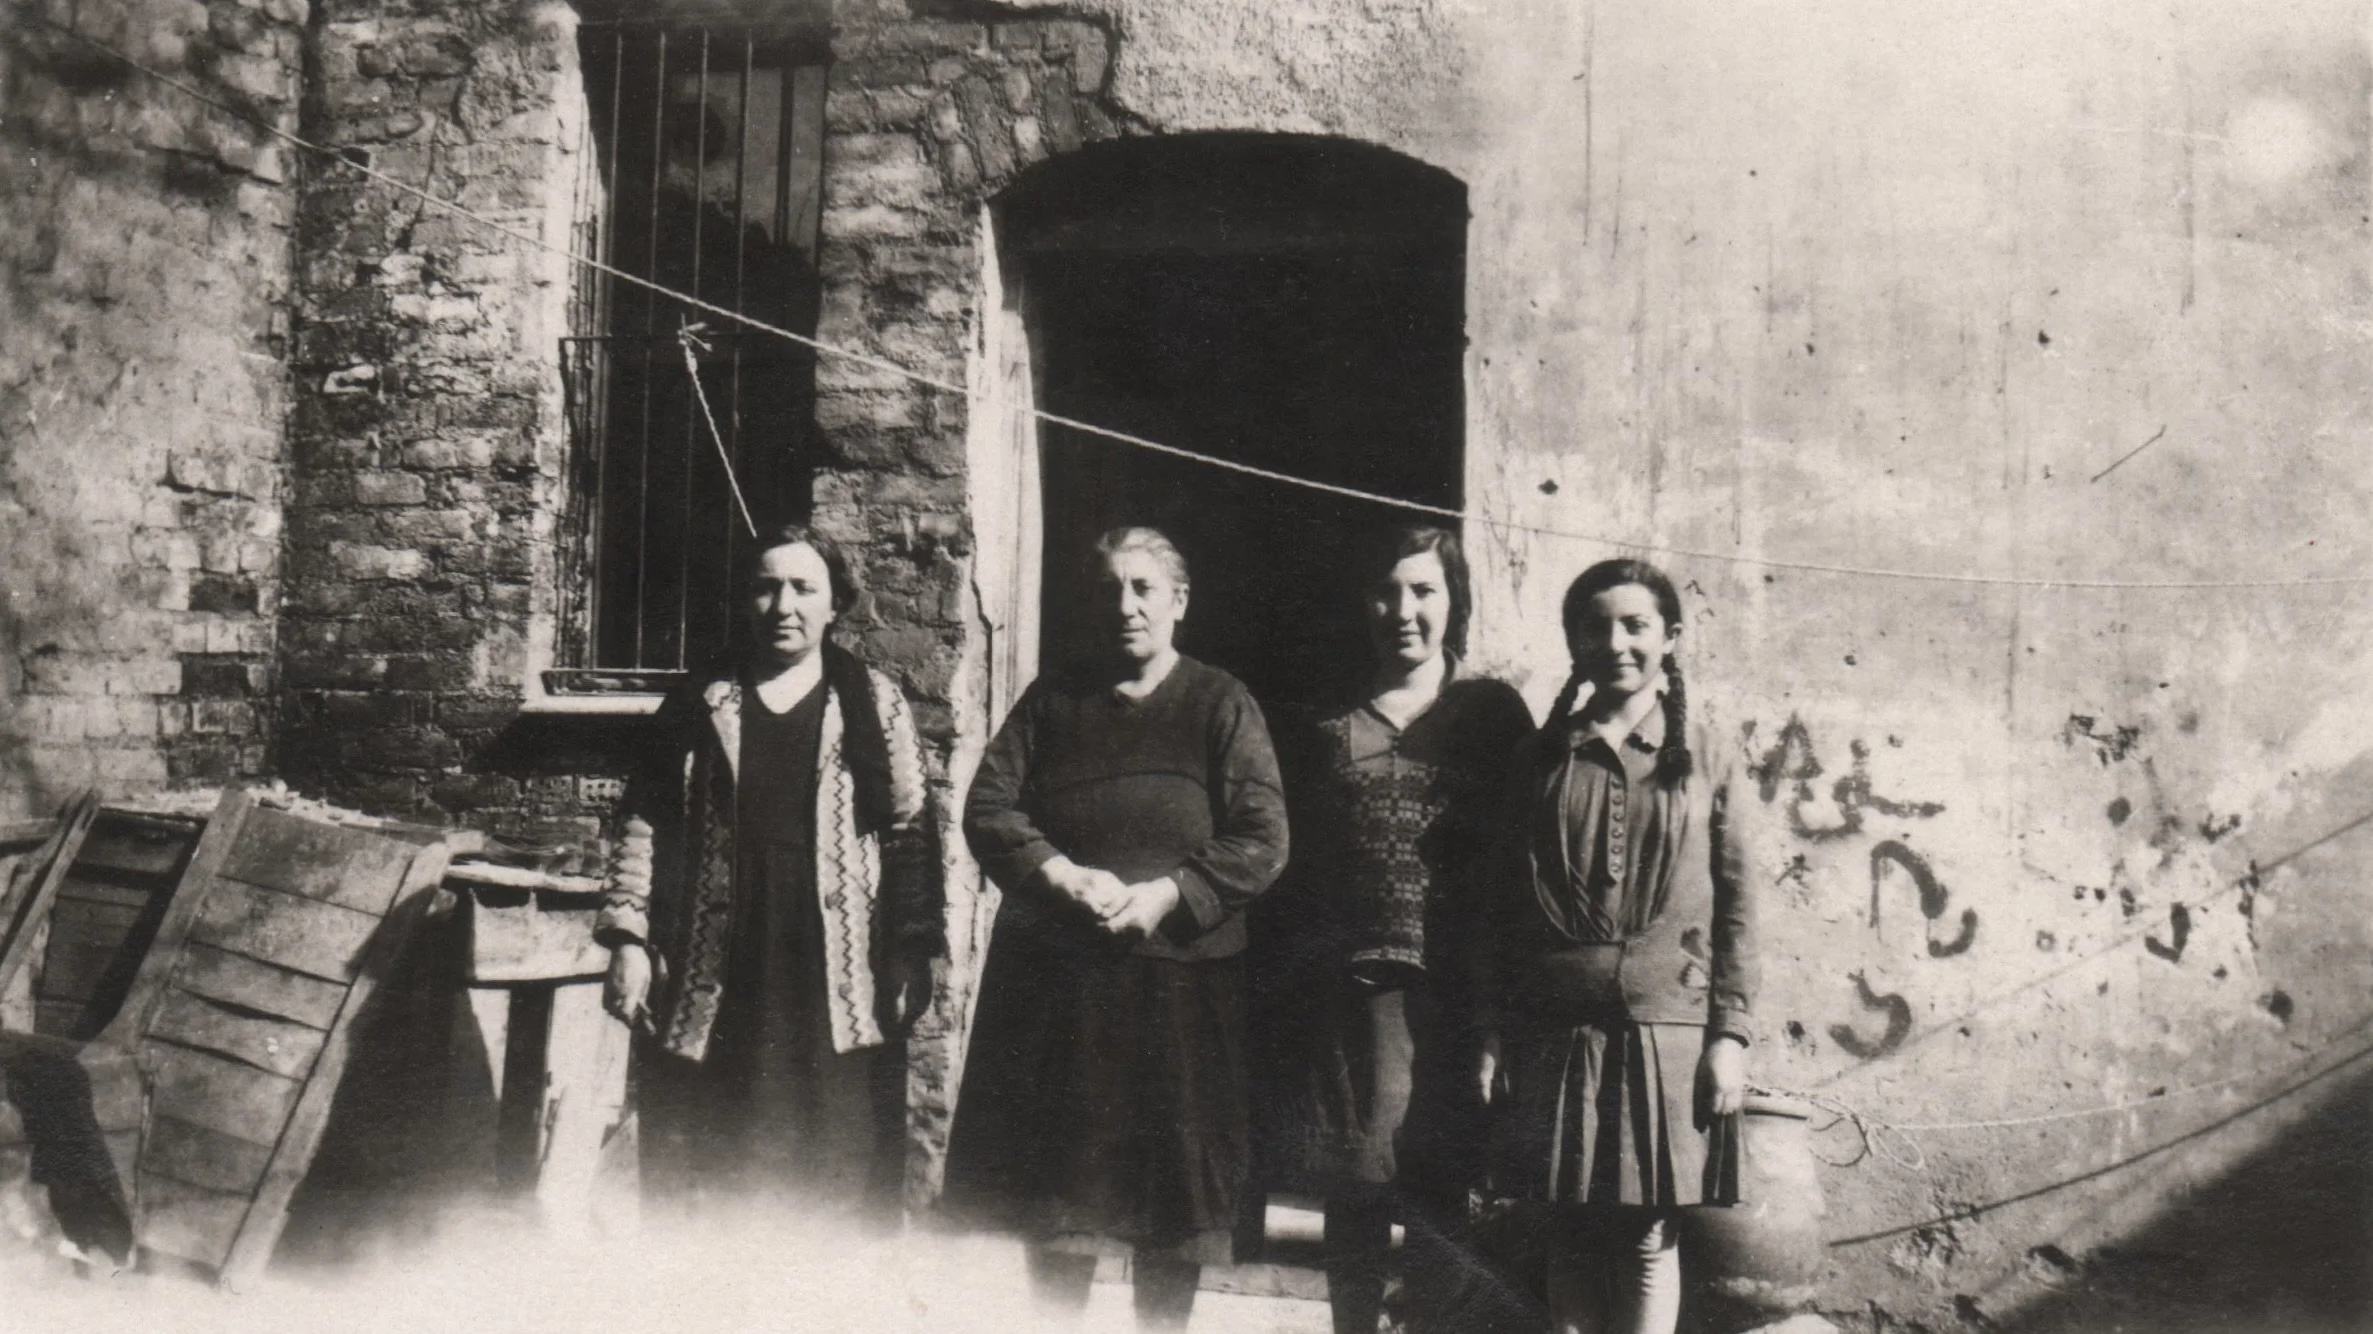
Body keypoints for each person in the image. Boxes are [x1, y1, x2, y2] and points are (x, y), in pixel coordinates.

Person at [946, 526, 1290, 1329]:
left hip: (1182, 992)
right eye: (1108, 589)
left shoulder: (1220, 701)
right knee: (1060, 1199)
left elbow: (1262, 836)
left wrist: (1168, 893)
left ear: (1179, 600)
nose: (1125, 606)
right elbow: (989, 807)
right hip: (1061, 993)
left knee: (1172, 1204)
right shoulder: (1052, 700)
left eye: (1142, 587)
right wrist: (1064, 876)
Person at [598, 522, 943, 1223]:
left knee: (836, 1156)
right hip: (719, 961)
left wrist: (912, 947)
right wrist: (630, 941)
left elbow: (911, 832)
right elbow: (645, 818)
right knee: (708, 1155)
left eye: (802, 588)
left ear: (833, 603)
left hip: (836, 971)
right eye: (766, 587)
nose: (783, 605)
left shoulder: (873, 703)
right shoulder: (701, 702)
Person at [1255, 526, 1534, 1333]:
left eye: (1423, 591)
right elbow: (1294, 869)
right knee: (1355, 1189)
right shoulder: (1323, 725)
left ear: (1454, 602)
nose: (1403, 611)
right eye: (1386, 591)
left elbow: (1518, 860)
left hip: (1455, 995)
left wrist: (1499, 1013)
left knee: (1440, 1195)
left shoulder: (1491, 716)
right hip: (1352, 1001)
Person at [1476, 558, 1760, 1334]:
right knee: (1568, 1225)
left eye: (1635, 625)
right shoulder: (1539, 757)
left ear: (1669, 637)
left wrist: (1729, 1035)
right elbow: (1501, 908)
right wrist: (1494, 1034)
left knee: (1643, 1233)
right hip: (1553, 1029)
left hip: (1665, 1027)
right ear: (1573, 640)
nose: (1616, 643)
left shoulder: (1708, 751)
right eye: (1595, 626)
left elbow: (1740, 906)